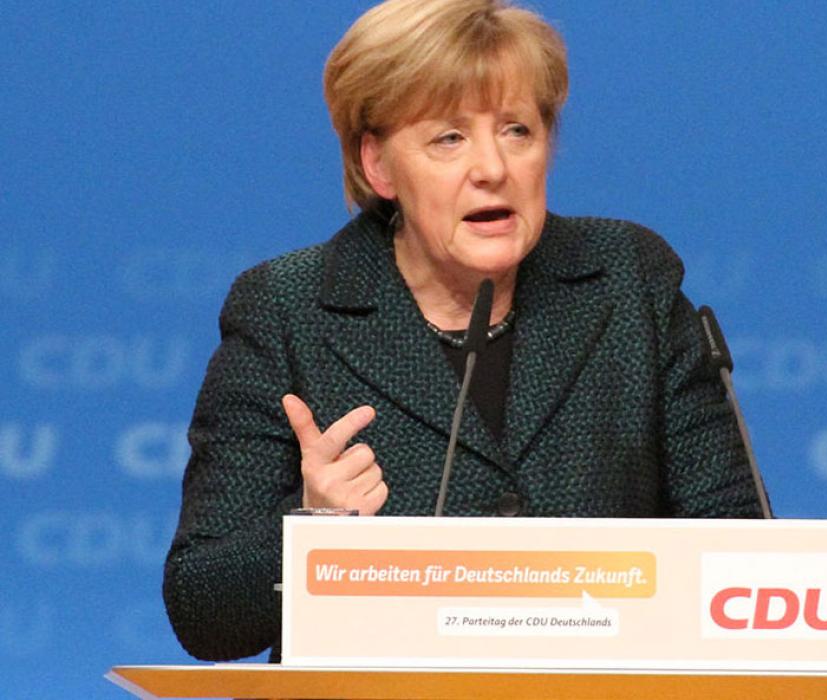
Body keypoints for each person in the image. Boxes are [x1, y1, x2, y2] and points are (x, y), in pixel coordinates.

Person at [163, 0, 763, 663]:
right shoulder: (288, 308)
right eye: (449, 138)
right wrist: (311, 530)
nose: (492, 168)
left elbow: (736, 554)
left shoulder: (627, 282)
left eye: (516, 131)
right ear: (378, 166)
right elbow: (202, 611)